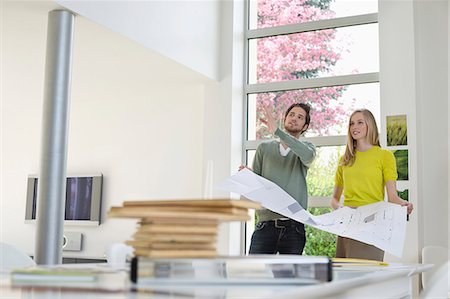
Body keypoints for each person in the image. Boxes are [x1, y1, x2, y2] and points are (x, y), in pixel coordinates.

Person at [330, 109, 413, 261]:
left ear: (370, 126)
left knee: (367, 273)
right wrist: (341, 209)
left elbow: (392, 196)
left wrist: (404, 204)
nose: (354, 126)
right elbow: (334, 200)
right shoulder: (345, 159)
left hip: (372, 221)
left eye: (360, 122)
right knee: (346, 276)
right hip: (348, 224)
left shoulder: (385, 156)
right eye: (351, 123)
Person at [240, 103, 316, 254]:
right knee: (255, 275)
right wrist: (248, 177)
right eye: (291, 115)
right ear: (285, 118)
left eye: (300, 117)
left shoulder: (307, 148)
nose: (294, 119)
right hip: (265, 226)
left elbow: (307, 156)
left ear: (305, 126)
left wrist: (277, 132)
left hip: (294, 228)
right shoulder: (264, 148)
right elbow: (257, 187)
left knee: (289, 277)